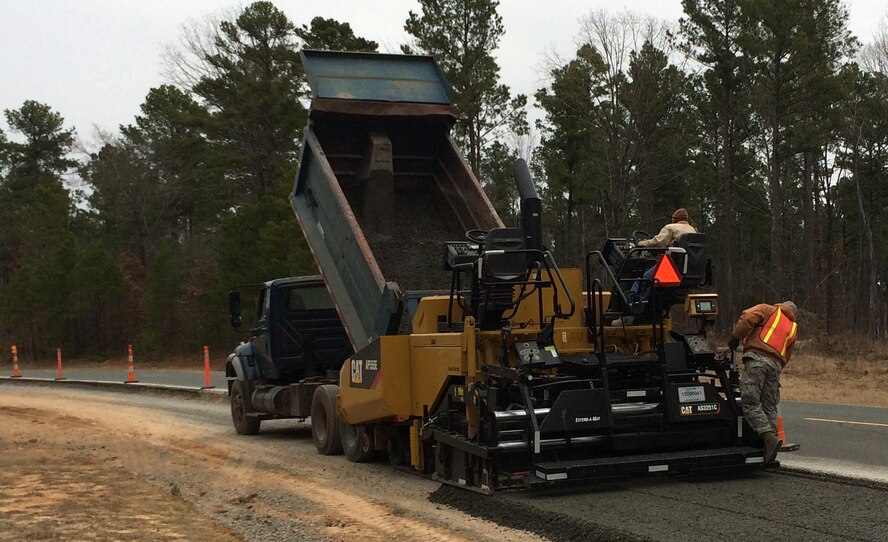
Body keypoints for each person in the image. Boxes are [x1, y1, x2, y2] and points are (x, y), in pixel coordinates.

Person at [728, 301, 799, 465]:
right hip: (776, 366)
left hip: (757, 359)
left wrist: (735, 338)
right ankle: (768, 446)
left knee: (750, 401)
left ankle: (768, 438)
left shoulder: (768, 310)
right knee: (769, 404)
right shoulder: (793, 327)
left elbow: (747, 318)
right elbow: (788, 353)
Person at [613, 208, 697, 326]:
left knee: (640, 281)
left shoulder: (671, 228)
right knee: (651, 286)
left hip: (671, 269)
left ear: (674, 220)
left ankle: (629, 316)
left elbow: (658, 242)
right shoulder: (693, 230)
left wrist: (641, 244)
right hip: (686, 271)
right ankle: (650, 313)